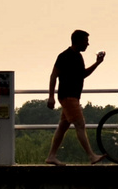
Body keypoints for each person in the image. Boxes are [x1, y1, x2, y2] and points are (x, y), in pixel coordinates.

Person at [44, 30, 106, 166]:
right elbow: (53, 75)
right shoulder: (64, 56)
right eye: (85, 41)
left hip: (73, 96)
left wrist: (97, 63)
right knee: (80, 124)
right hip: (68, 96)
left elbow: (82, 74)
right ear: (78, 41)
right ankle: (91, 156)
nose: (88, 44)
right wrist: (51, 97)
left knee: (63, 126)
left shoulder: (78, 57)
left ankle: (51, 156)